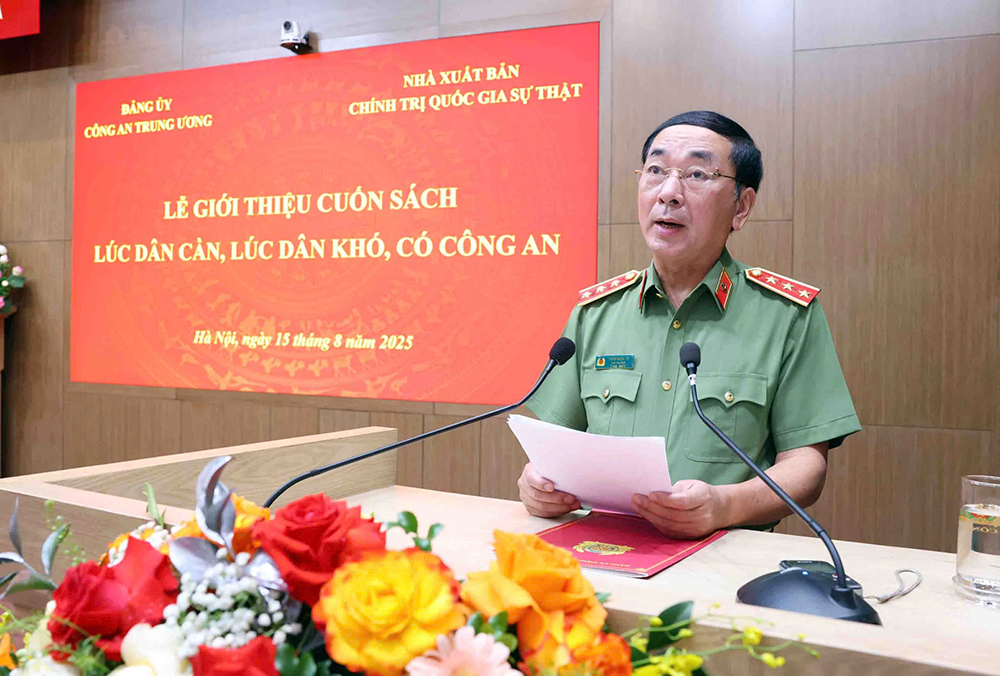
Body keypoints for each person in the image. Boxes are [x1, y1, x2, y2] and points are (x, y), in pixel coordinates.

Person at [520, 110, 860, 538]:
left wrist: (725, 505)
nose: (668, 193)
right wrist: (536, 484)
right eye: (656, 170)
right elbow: (552, 446)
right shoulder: (595, 313)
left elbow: (806, 465)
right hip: (599, 551)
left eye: (697, 174)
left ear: (741, 206)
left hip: (723, 557)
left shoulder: (786, 315)